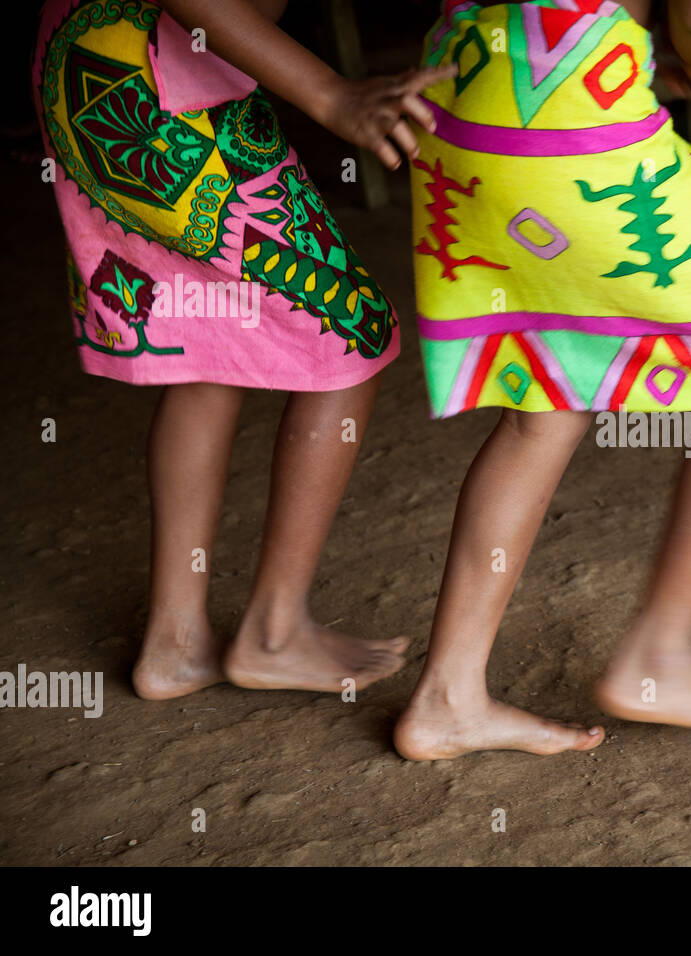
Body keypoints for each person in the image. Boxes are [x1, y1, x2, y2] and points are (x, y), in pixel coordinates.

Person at [394, 0, 691, 759]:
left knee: (544, 400)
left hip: (461, 101)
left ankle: (447, 698)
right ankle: (657, 652)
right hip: (572, 113)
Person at [34, 0, 454, 698]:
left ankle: (175, 643)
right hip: (154, 90)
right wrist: (333, 95)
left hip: (101, 66)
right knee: (349, 329)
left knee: (207, 338)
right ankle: (275, 632)